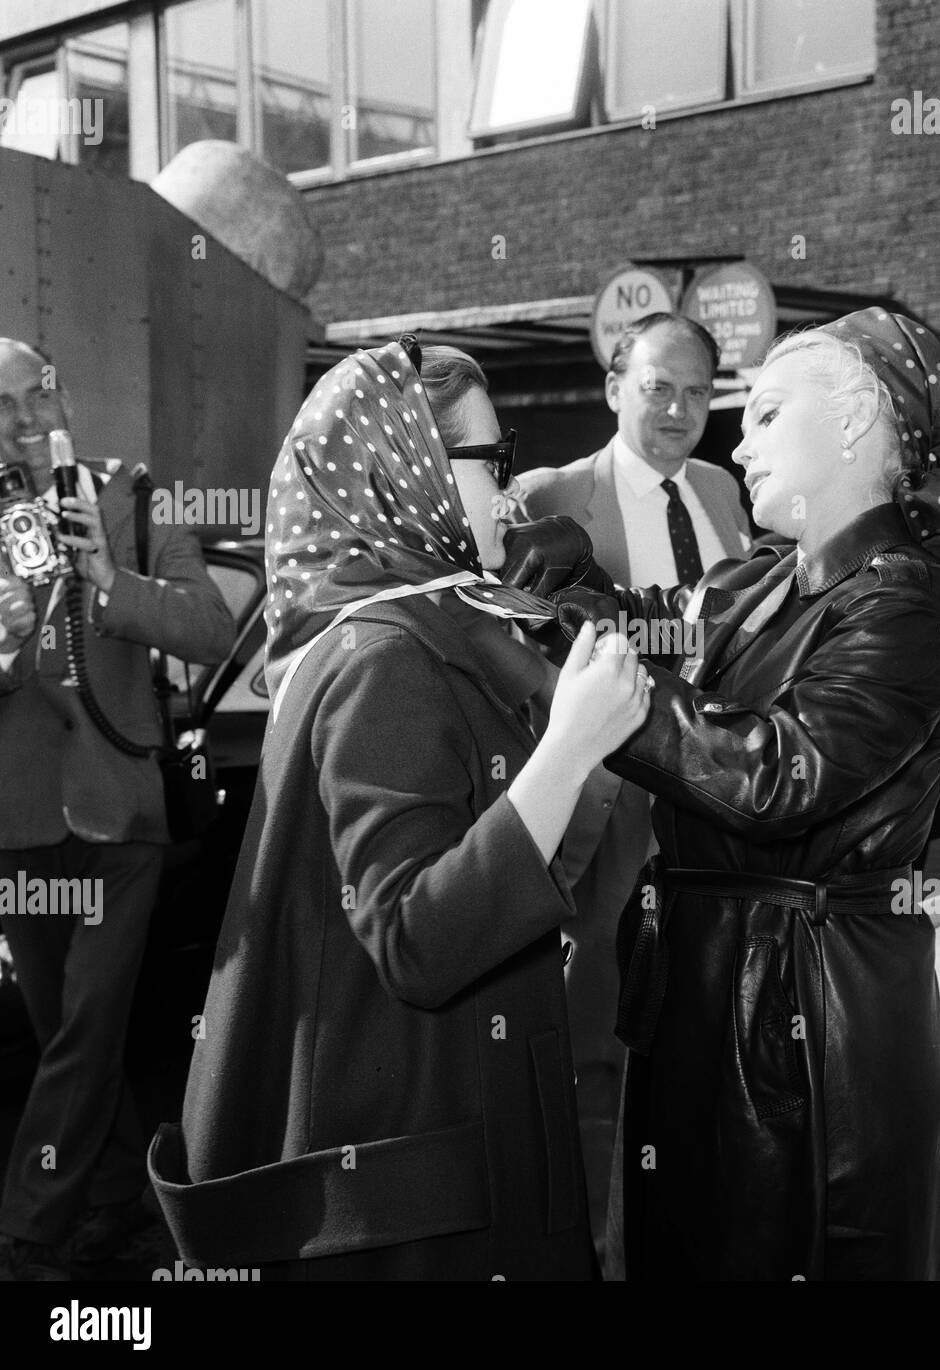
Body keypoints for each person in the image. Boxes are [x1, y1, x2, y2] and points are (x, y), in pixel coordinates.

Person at [148, 340, 651, 1280]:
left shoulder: (428, 618)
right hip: (418, 1173)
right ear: (408, 470)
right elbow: (416, 937)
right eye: (490, 461)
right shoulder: (385, 658)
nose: (513, 491)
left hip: (446, 1123)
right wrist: (570, 748)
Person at [504, 307, 940, 1280]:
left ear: (852, 422)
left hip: (804, 1031)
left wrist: (610, 706)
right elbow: (638, 623)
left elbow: (779, 772)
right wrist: (544, 557)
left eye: (766, 412)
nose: (734, 437)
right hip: (705, 997)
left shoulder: (905, 600)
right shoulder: (761, 579)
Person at [511, 312, 750, 1251]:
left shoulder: (729, 494)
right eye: (659, 387)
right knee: (591, 1048)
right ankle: (581, 1247)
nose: (681, 410)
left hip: (714, 806)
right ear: (616, 387)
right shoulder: (549, 494)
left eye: (699, 392)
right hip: (605, 815)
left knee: (698, 1038)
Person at [0, 338, 235, 1281]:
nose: (22, 424)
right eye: (3, 409)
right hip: (19, 819)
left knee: (88, 1028)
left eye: (34, 401)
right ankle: (122, 1199)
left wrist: (108, 581)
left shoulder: (137, 499)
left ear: (66, 399)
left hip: (122, 817)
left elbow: (212, 630)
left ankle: (26, 1232)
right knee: (66, 1032)